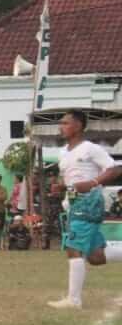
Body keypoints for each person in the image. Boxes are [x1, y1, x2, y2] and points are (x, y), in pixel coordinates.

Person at [47, 110, 122, 309]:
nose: (61, 127)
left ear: (78, 125)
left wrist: (92, 182)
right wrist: (61, 188)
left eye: (66, 123)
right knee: (96, 256)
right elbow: (72, 179)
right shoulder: (63, 152)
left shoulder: (90, 148)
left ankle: (74, 300)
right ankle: (73, 299)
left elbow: (114, 169)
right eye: (61, 123)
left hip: (88, 201)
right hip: (74, 203)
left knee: (74, 248)